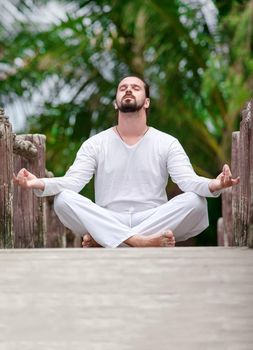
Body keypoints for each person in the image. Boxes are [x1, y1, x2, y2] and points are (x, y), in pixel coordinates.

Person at [13, 76, 239, 248]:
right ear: (115, 103)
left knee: (195, 202)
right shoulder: (96, 143)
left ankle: (109, 240)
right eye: (123, 88)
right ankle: (138, 241)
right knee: (63, 200)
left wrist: (215, 185)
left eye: (135, 87)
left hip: (153, 217)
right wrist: (38, 183)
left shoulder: (167, 143)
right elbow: (73, 182)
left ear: (147, 102)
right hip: (107, 216)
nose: (128, 89)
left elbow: (188, 182)